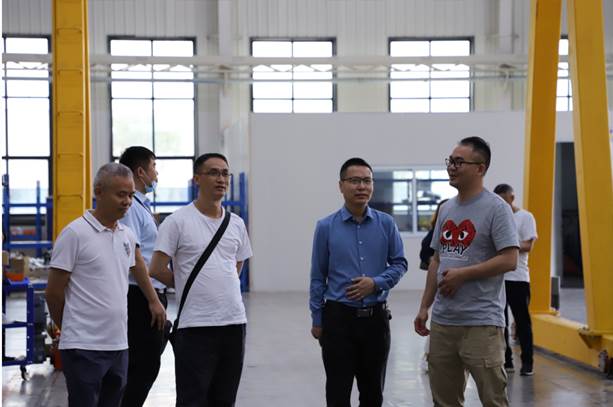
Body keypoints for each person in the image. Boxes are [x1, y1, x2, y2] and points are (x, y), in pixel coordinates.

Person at [45, 163, 166, 407]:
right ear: (99, 192)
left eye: (130, 195)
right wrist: (71, 329)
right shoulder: (75, 234)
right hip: (83, 347)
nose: (127, 201)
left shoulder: (126, 235)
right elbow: (53, 293)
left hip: (119, 345)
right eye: (121, 194)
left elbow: (135, 267)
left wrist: (153, 300)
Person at [414, 137, 519, 407]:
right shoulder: (446, 208)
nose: (451, 167)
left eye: (459, 162)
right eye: (450, 161)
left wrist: (463, 274)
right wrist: (425, 306)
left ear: (480, 168)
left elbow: (510, 259)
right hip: (443, 322)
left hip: (481, 323)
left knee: (493, 400)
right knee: (444, 400)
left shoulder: (497, 209)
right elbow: (436, 260)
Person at [149, 153, 252, 407]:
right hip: (195, 326)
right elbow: (157, 268)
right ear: (197, 179)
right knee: (192, 400)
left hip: (234, 323)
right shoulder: (177, 221)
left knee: (224, 399)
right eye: (213, 173)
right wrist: (187, 283)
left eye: (225, 173)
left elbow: (236, 265)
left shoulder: (236, 224)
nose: (221, 179)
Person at [310, 157, 408, 407]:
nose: (361, 186)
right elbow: (318, 276)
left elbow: (400, 263)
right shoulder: (325, 227)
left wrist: (376, 283)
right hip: (338, 320)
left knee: (373, 394)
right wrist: (317, 319)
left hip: (375, 321)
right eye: (354, 181)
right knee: (337, 393)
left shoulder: (386, 224)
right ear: (341, 186)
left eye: (367, 181)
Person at [118, 146, 168, 406]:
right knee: (142, 366)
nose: (156, 174)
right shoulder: (131, 208)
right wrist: (153, 300)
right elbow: (134, 259)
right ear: (140, 172)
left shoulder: (140, 206)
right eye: (154, 167)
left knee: (146, 364)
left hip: (147, 293)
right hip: (139, 296)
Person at [494, 183, 537, 376]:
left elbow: (528, 245)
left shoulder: (525, 217)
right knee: (500, 322)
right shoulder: (496, 218)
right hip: (498, 278)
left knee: (522, 322)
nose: (502, 204)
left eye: (504, 200)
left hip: (518, 278)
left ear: (511, 198)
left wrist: (507, 244)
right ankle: (507, 360)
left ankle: (527, 363)